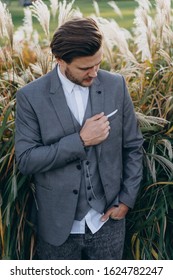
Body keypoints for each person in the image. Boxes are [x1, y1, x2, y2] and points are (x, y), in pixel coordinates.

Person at [15, 17, 143, 260]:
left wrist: (127, 199)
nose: (94, 73)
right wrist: (81, 141)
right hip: (57, 226)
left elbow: (133, 146)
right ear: (60, 60)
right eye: (85, 68)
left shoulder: (116, 85)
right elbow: (26, 159)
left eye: (98, 64)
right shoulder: (31, 97)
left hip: (108, 222)